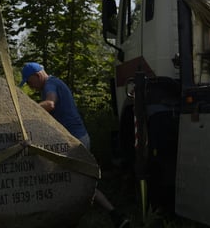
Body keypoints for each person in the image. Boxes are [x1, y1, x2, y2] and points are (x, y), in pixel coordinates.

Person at [20, 62, 130, 228]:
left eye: (28, 82)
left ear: (37, 75)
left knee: (73, 180)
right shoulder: (53, 83)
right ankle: (115, 216)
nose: (30, 86)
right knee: (80, 181)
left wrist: (26, 110)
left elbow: (50, 104)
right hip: (75, 139)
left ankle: (112, 216)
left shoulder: (50, 84)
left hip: (76, 141)